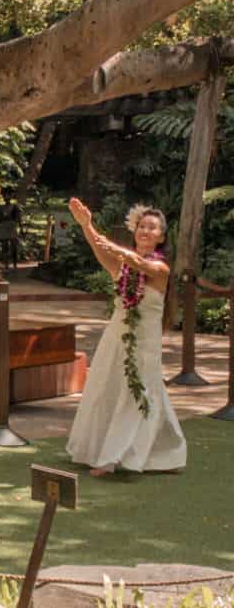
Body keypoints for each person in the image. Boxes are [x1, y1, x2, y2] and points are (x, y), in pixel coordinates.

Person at [65, 198, 186, 476]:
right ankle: (160, 452)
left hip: (144, 342)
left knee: (139, 391)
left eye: (151, 228)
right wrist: (88, 226)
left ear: (161, 237)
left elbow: (137, 262)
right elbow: (99, 248)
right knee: (108, 387)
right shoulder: (123, 268)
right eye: (141, 226)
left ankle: (117, 456)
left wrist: (116, 249)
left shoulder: (160, 269)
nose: (145, 231)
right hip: (116, 337)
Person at [0, 187, 22, 270]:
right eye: (5, 196)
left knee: (13, 246)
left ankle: (14, 264)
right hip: (4, 227)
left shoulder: (15, 207)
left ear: (11, 197)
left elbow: (18, 219)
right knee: (5, 247)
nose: (6, 198)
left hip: (12, 226)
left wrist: (20, 228)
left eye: (8, 196)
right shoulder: (1, 208)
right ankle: (6, 264)